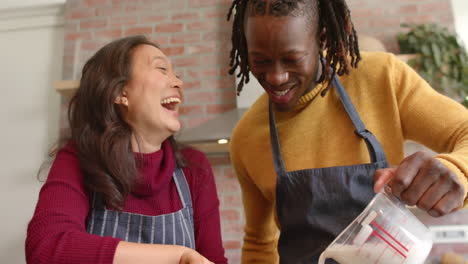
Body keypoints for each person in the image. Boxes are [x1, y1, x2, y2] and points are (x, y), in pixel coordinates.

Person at [226, 0, 468, 263]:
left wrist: (457, 170)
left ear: (321, 39)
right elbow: (259, 245)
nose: (276, 77)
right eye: (260, 61)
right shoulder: (247, 137)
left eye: (291, 59)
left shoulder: (382, 78)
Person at [26, 35, 227, 264]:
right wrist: (176, 256)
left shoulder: (195, 167)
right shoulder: (77, 159)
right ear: (120, 92)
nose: (178, 83)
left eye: (176, 75)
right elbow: (46, 248)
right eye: (162, 69)